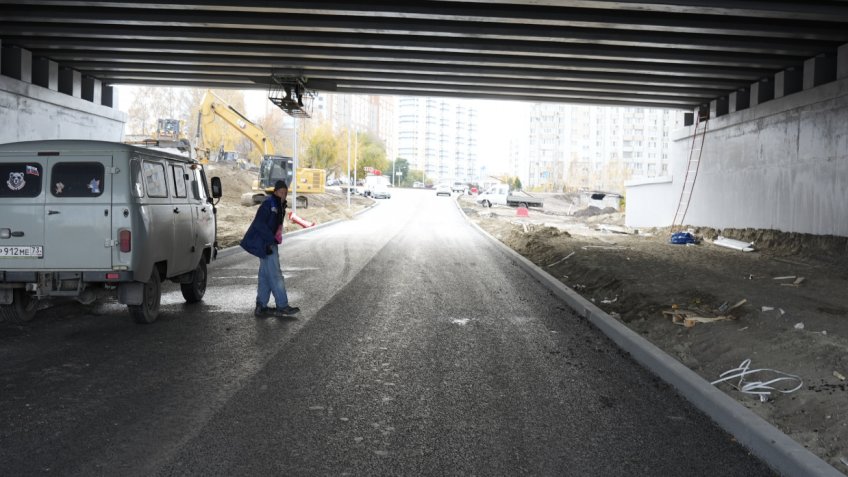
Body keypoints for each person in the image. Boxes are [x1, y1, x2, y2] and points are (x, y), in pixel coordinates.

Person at [240, 180, 300, 318]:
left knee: (265, 276)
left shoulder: (279, 205)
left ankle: (261, 306)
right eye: (281, 192)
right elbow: (259, 224)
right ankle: (282, 306)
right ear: (275, 192)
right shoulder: (269, 204)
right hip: (266, 243)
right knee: (276, 275)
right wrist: (269, 241)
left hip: (269, 242)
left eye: (285, 193)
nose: (283, 195)